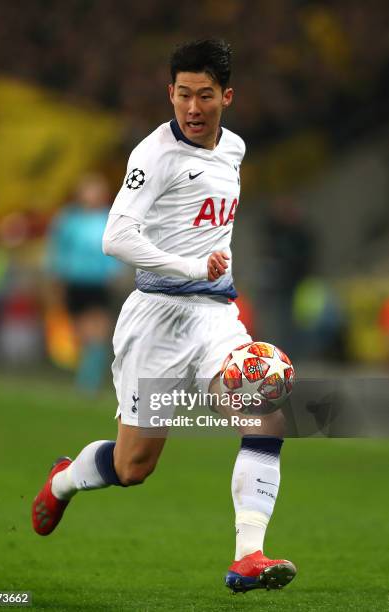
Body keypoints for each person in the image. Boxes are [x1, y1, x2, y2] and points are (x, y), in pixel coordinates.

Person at [32, 39, 296, 594]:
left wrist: (210, 274)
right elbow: (116, 237)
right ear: (169, 94)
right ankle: (63, 480)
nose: (193, 109)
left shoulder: (235, 150)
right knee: (134, 468)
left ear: (227, 95)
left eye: (205, 96)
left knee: (263, 408)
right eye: (182, 95)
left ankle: (249, 556)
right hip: (155, 318)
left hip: (215, 315)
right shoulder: (152, 156)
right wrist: (189, 264)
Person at [46, 174, 124, 392]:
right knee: (83, 332)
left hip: (99, 282)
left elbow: (117, 248)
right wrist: (56, 277)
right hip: (75, 280)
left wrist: (115, 271)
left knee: (99, 329)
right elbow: (59, 250)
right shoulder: (69, 220)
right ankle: (87, 376)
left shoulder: (109, 218)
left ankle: (89, 381)